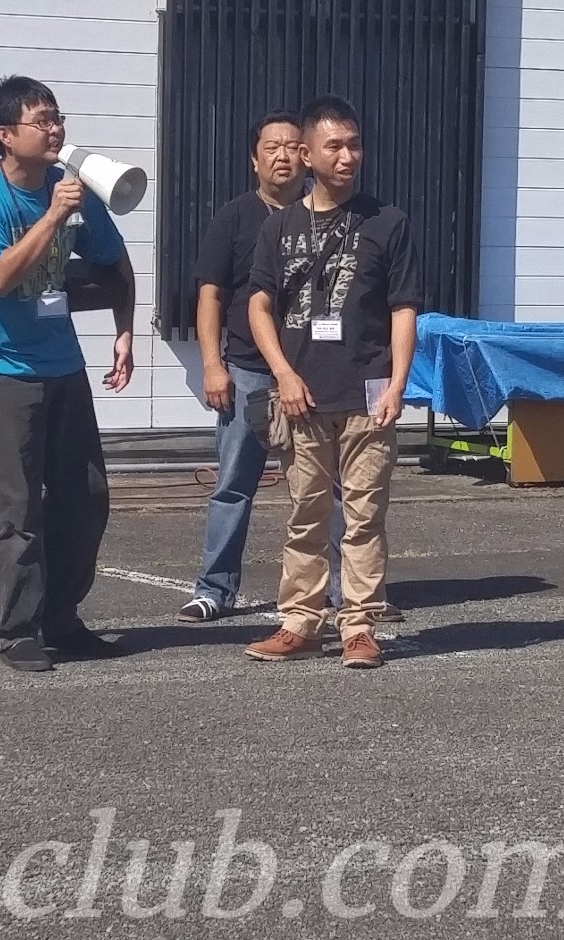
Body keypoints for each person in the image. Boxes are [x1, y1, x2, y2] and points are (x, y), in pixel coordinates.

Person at [0, 76, 134, 672]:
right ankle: (18, 629)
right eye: (42, 120)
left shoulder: (73, 188)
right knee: (17, 502)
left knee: (86, 494)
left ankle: (62, 617)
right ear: (6, 135)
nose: (55, 129)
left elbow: (115, 261)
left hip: (62, 363)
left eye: (58, 117)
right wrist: (54, 216)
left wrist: (125, 330)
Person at [240, 96, 419, 669]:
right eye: (334, 146)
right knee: (305, 513)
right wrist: (283, 374)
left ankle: (359, 625)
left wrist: (398, 383)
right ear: (307, 154)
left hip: (368, 392)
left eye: (355, 145)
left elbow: (403, 308)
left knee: (364, 515)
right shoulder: (279, 226)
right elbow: (259, 305)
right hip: (302, 395)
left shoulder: (387, 221)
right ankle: (300, 622)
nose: (347, 157)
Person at [179, 112, 308, 622]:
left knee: (327, 487)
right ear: (255, 159)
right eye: (271, 147)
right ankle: (214, 589)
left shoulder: (328, 216)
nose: (282, 156)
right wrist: (213, 365)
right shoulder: (234, 217)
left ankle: (343, 591)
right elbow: (209, 295)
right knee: (233, 484)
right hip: (248, 371)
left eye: (292, 146)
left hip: (313, 371)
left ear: (307, 156)